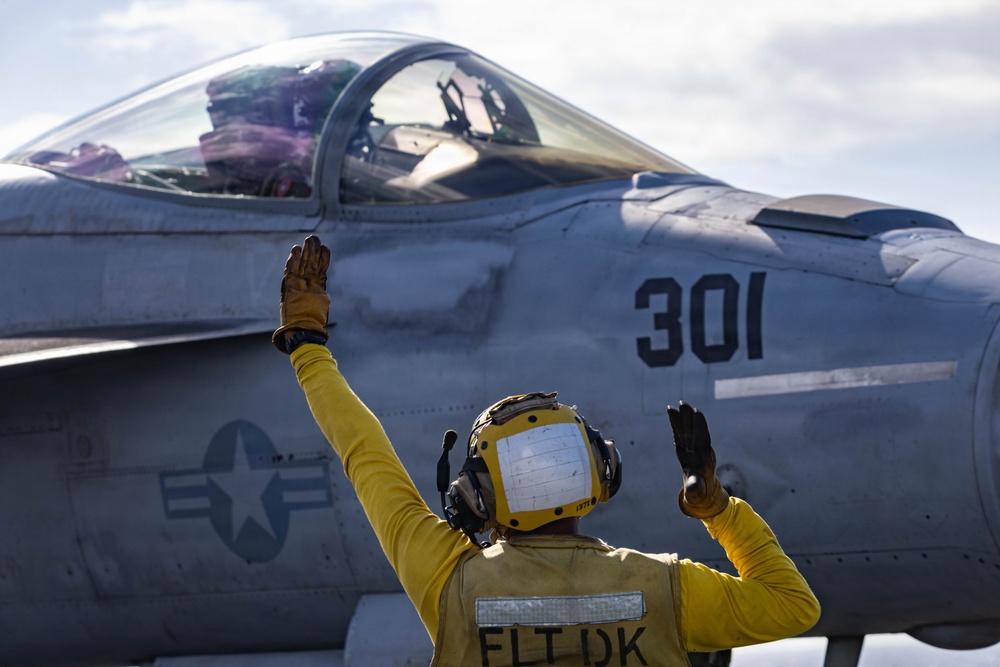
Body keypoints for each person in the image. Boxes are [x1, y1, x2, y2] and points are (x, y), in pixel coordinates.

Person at [273, 236, 821, 665]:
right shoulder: (664, 587)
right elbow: (794, 605)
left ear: (475, 497)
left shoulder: (448, 582)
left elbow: (365, 453)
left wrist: (307, 346)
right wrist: (718, 510)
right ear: (601, 471)